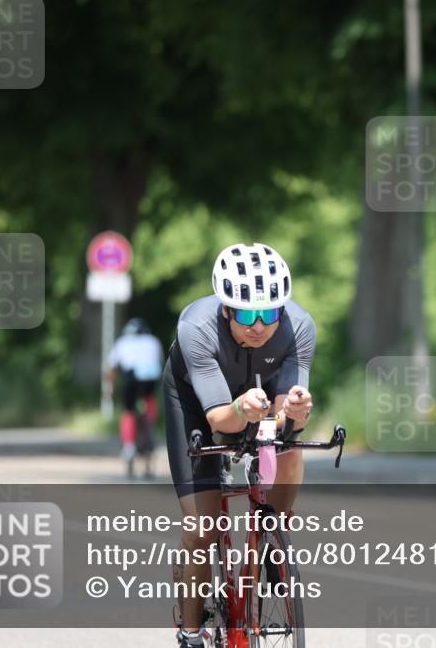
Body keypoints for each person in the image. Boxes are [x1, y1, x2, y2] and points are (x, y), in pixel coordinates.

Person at [164, 242, 315, 648]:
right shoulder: (196, 326)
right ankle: (191, 632)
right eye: (248, 313)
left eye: (270, 312)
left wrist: (295, 413)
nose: (260, 325)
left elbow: (284, 415)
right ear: (226, 308)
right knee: (203, 529)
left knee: (290, 443)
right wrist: (242, 409)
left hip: (256, 398)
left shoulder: (299, 326)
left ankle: (272, 538)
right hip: (198, 403)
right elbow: (219, 422)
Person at [106, 318, 164, 465]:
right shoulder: (154, 341)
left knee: (129, 411)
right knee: (149, 398)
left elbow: (112, 369)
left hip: (131, 376)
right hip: (151, 376)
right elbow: (160, 362)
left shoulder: (122, 342)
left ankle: (129, 446)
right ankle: (150, 427)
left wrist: (109, 390)